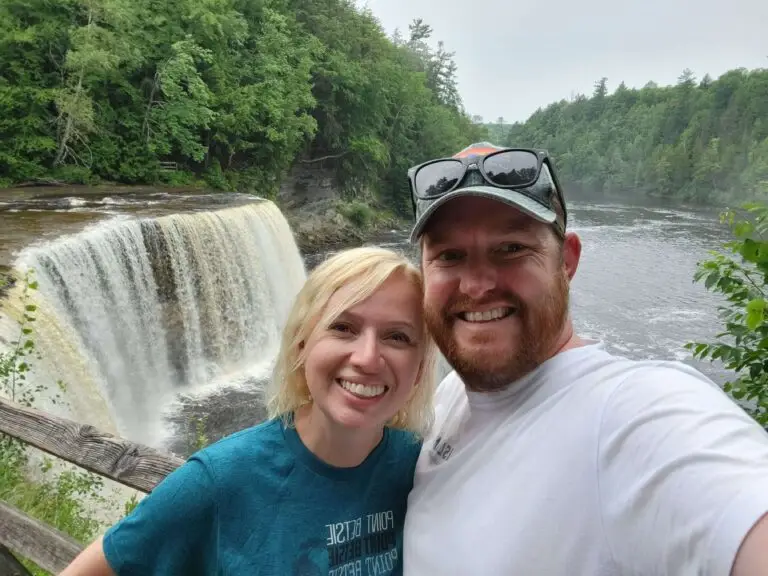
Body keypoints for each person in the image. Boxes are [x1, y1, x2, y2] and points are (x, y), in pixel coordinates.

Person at [402, 142, 768, 575]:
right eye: (449, 256)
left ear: (567, 261)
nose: (477, 285)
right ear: (425, 272)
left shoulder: (633, 415)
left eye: (511, 249)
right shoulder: (451, 397)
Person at [60, 246, 438, 576]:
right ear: (302, 346)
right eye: (342, 327)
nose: (367, 358)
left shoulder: (417, 466)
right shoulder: (217, 481)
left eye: (397, 337)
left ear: (419, 368)